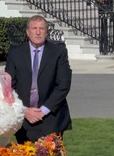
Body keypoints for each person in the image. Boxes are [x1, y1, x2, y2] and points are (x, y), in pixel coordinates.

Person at [5, 15, 72, 143]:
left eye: (41, 28)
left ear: (46, 32)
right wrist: (24, 111)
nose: (38, 32)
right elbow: (9, 87)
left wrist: (43, 111)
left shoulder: (58, 52)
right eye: (34, 28)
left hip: (51, 117)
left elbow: (63, 85)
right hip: (24, 119)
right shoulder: (15, 53)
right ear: (27, 32)